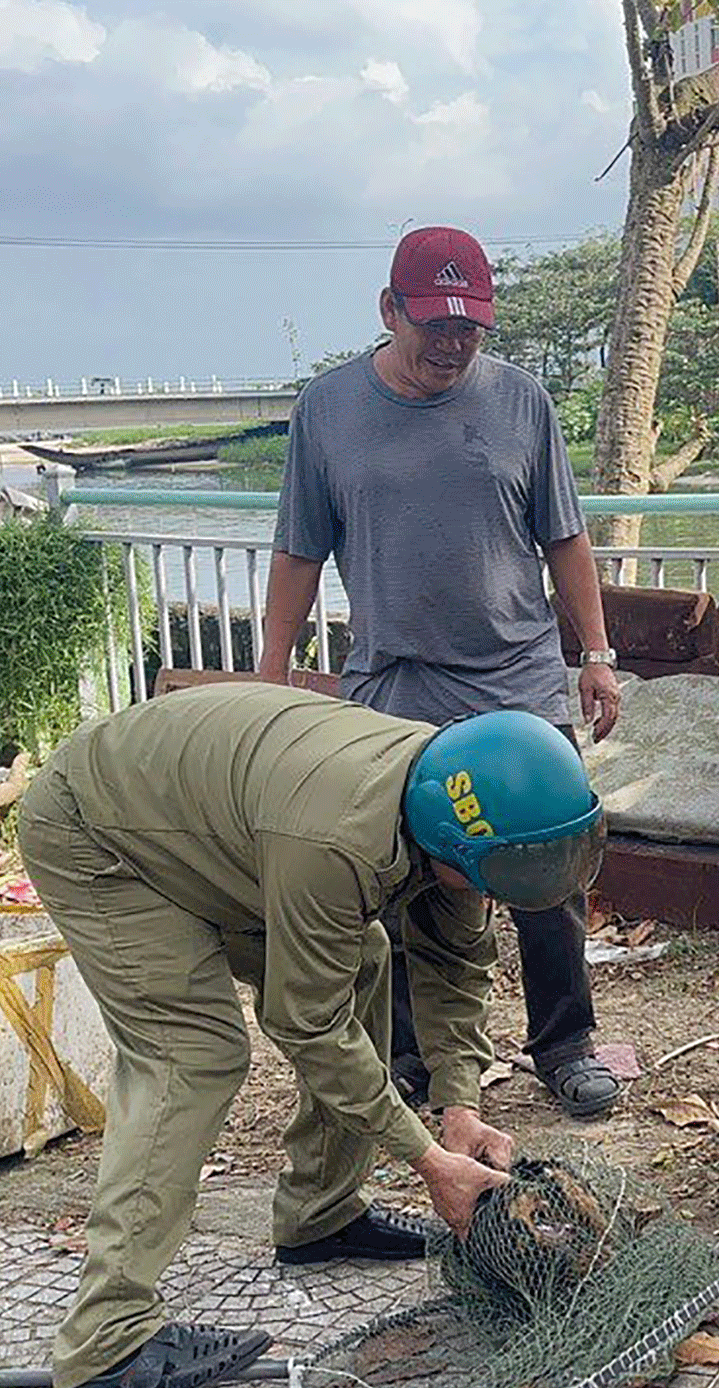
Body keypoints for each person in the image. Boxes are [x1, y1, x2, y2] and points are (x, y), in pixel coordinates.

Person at [20, 682, 609, 1388]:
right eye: (501, 876)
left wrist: (458, 1107)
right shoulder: (337, 841)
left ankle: (320, 1216)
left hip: (210, 824)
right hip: (101, 835)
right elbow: (309, 1022)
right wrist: (427, 1160)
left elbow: (456, 968)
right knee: (192, 1052)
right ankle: (106, 1345)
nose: (506, 891)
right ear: (450, 843)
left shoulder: (446, 808)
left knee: (359, 958)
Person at [254, 224, 626, 1121]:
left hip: (517, 675)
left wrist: (598, 654)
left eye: (470, 331)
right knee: (399, 879)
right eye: (435, 328)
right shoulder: (328, 411)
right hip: (393, 682)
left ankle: (565, 1044)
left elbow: (564, 538)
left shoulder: (523, 403)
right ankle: (411, 1056)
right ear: (390, 311)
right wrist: (270, 674)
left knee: (548, 869)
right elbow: (298, 552)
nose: (452, 347)